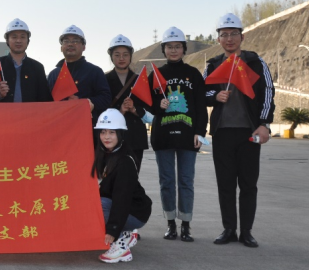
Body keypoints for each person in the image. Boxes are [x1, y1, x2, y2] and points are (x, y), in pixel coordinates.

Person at [205, 13, 275, 248]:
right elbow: (201, 92)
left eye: (234, 34)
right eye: (224, 34)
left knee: (248, 184)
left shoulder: (256, 62)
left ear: (242, 37)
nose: (229, 39)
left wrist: (264, 124)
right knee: (225, 184)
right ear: (218, 39)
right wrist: (215, 96)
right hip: (222, 132)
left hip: (249, 132)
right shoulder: (213, 65)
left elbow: (268, 93)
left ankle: (246, 231)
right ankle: (229, 229)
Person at [150, 27, 207, 242]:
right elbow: (147, 104)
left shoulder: (193, 74)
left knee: (185, 181)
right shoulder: (156, 75)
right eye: (169, 47)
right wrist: (158, 105)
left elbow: (200, 107)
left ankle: (186, 225)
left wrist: (200, 132)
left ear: (184, 49)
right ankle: (170, 224)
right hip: (163, 135)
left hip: (188, 135)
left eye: (177, 46)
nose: (173, 50)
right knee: (166, 181)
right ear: (164, 49)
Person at [92, 109, 152, 263]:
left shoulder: (125, 161)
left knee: (98, 205)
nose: (106, 137)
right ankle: (126, 233)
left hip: (135, 211)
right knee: (93, 201)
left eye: (112, 132)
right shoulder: (106, 153)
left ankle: (120, 247)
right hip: (124, 207)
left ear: (120, 133)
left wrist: (112, 230)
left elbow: (122, 199)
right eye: (103, 132)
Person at [47, 25, 112, 147]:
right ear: (61, 47)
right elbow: (46, 103)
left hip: (87, 132)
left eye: (75, 41)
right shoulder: (53, 74)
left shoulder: (94, 71)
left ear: (84, 47)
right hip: (59, 132)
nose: (70, 44)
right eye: (66, 41)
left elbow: (106, 98)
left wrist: (84, 102)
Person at [104, 34, 150, 170]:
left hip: (135, 137)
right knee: (111, 176)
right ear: (111, 57)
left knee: (132, 176)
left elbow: (148, 107)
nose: (121, 58)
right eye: (117, 55)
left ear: (130, 56)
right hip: (112, 137)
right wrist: (120, 111)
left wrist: (134, 109)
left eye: (125, 54)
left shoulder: (140, 80)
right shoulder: (104, 79)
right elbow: (102, 108)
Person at [0, 18, 52, 103]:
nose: (18, 40)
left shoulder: (37, 67)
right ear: (7, 40)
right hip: (3, 111)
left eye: (22, 37)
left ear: (28, 40)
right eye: (14, 37)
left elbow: (44, 98)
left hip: (30, 112)